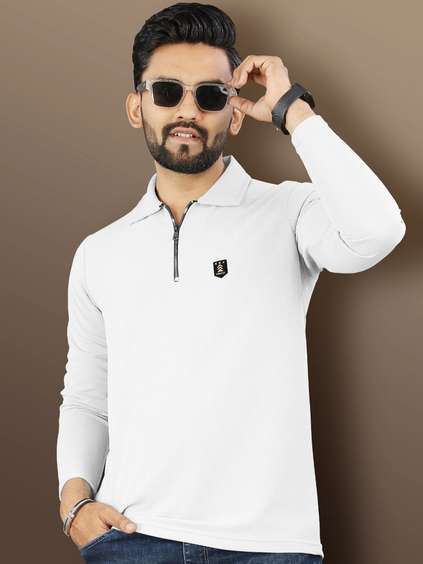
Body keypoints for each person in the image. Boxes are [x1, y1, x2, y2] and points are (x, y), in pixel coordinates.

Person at [56, 3, 406, 563]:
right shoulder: (99, 253)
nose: (188, 110)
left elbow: (378, 231)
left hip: (268, 547)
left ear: (236, 115)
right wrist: (75, 502)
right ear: (136, 106)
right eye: (167, 91)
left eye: (211, 95)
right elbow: (87, 397)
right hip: (128, 538)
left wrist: (291, 108)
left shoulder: (289, 213)